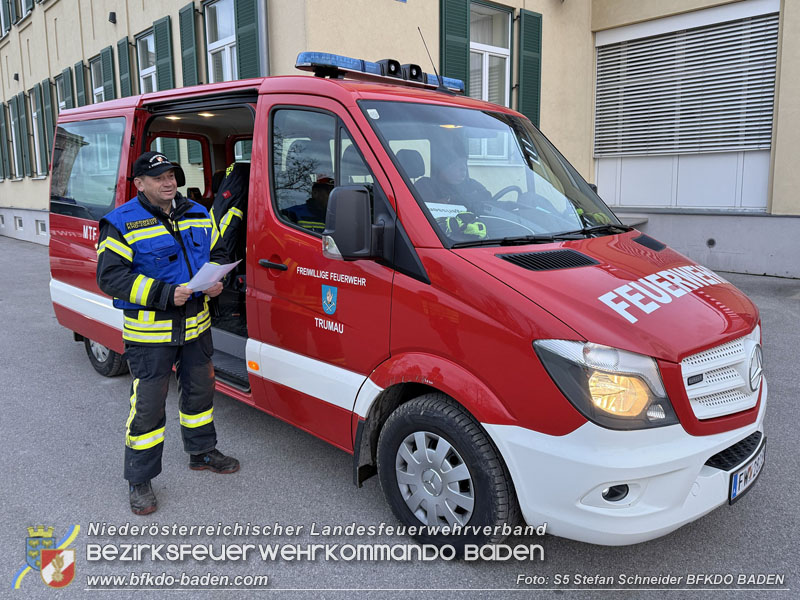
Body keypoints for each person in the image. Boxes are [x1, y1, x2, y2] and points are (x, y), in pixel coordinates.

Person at [96, 151, 240, 516]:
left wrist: (216, 282)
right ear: (140, 183)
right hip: (151, 337)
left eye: (171, 174)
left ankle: (202, 452)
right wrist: (162, 294)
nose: (168, 181)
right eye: (158, 177)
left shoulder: (196, 212)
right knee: (146, 409)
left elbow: (215, 255)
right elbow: (110, 277)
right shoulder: (121, 221)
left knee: (200, 396)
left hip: (197, 329)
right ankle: (140, 480)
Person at [414, 144, 489, 239]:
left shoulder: (470, 184)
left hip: (476, 234)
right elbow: (426, 211)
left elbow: (487, 196)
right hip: (440, 238)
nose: (464, 170)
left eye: (464, 164)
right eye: (458, 165)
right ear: (443, 168)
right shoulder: (425, 185)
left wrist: (452, 199)